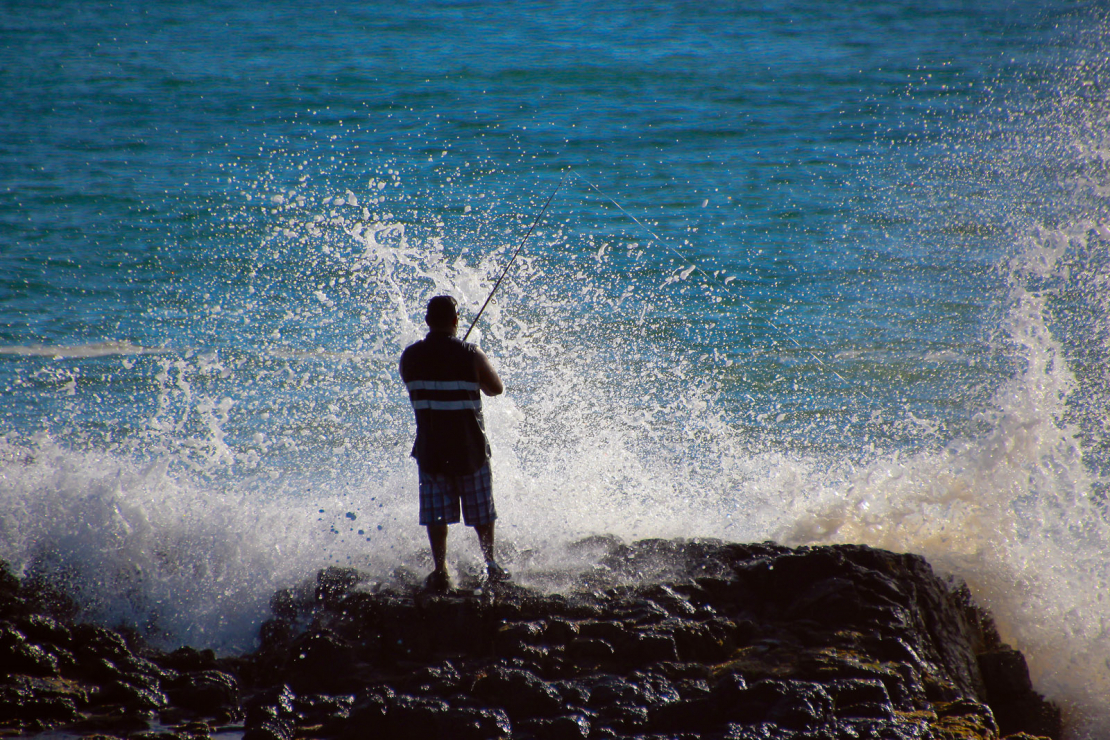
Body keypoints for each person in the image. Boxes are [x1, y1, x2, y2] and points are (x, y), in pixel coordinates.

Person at [399, 295, 508, 593]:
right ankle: (491, 564)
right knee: (482, 513)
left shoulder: (409, 357)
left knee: (436, 515)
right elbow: (495, 389)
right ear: (455, 321)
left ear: (427, 321)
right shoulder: (471, 354)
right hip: (469, 449)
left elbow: (415, 384)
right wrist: (470, 370)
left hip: (430, 449)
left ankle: (440, 570)